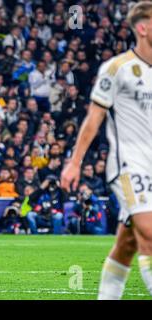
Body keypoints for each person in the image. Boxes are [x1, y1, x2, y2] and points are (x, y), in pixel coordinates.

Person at [61, 2, 152, 299]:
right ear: (142, 27)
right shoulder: (116, 68)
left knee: (127, 245)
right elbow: (93, 118)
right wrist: (75, 162)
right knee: (149, 232)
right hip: (129, 165)